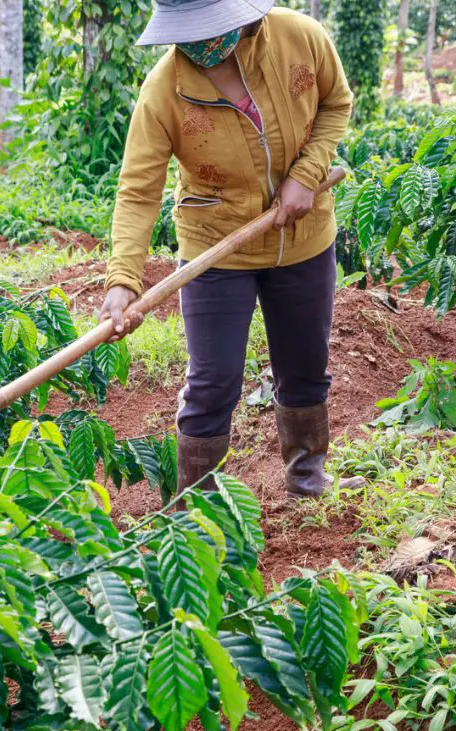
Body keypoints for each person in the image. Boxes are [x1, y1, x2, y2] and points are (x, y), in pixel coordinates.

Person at [100, 0, 363, 498]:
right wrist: (122, 281)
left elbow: (336, 102)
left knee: (305, 365)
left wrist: (306, 176)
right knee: (213, 381)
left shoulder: (299, 37)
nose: (201, 42)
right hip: (217, 251)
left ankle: (308, 477)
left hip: (303, 243)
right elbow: (137, 191)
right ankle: (195, 506)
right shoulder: (164, 91)